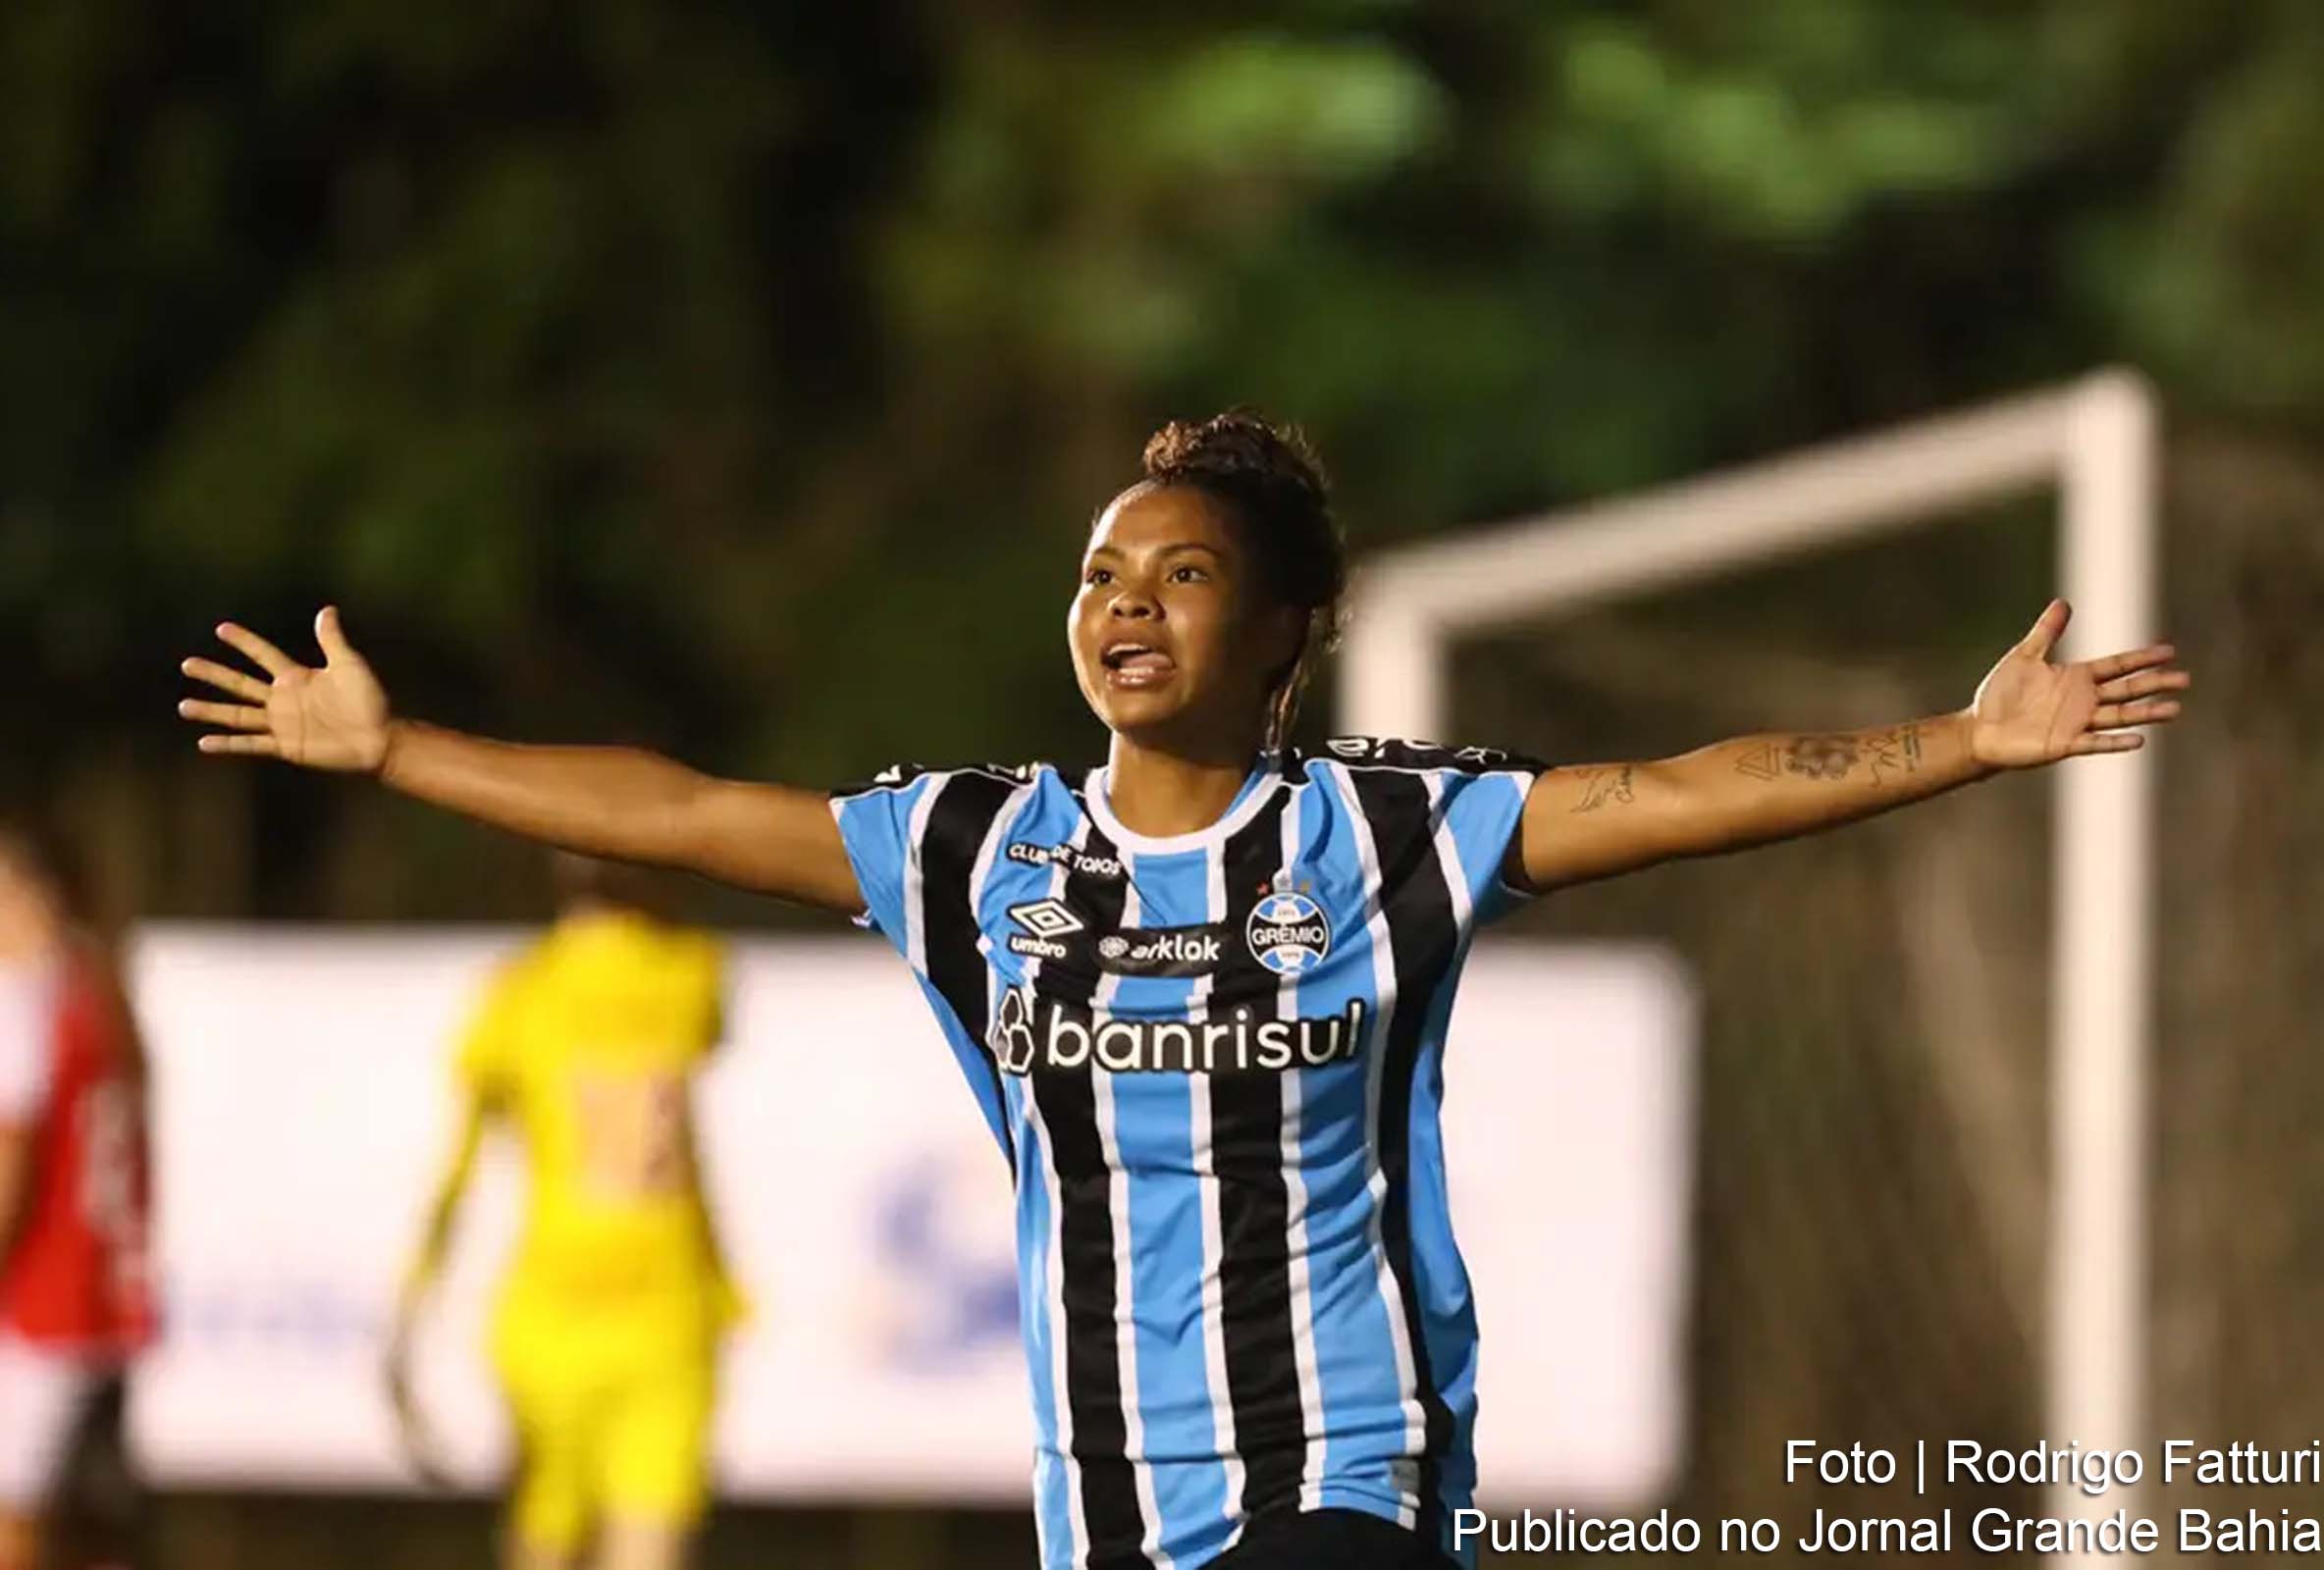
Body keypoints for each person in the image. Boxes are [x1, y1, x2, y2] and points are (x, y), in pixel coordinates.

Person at [175, 411, 2189, 1570]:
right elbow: (691, 809)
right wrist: (395, 747)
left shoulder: (1391, 833)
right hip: (1110, 1502)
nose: (1125, 602)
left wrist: (1964, 737)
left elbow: (1675, 789)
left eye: (1184, 571)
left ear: (1291, 625)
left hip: (1353, 1471)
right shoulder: (976, 851)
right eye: (1100, 574)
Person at [385, 854, 738, 1570]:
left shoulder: (520, 991)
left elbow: (459, 1166)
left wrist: (411, 1306)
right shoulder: (692, 972)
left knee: (545, 1537)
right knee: (651, 1543)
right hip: (666, 1309)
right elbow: (705, 1036)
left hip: (551, 1313)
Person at [0, 823, 154, 1570]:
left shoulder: (19, 1002)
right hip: (103, 1302)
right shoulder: (102, 992)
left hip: (36, 1303)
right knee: (89, 1536)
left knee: (16, 1528)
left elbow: (10, 1168)